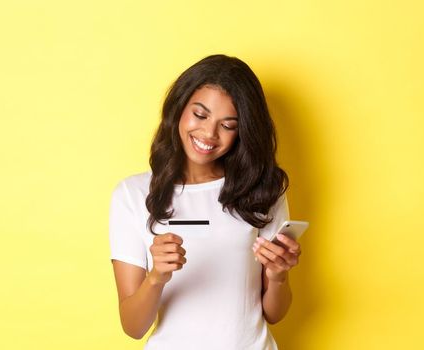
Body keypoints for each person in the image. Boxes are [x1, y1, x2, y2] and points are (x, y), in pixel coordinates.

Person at [108, 54, 302, 349]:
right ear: (180, 108)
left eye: (228, 125)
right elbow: (133, 327)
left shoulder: (263, 190)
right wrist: (156, 277)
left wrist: (277, 277)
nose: (209, 134)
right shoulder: (132, 195)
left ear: (243, 131)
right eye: (200, 115)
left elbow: (274, 314)